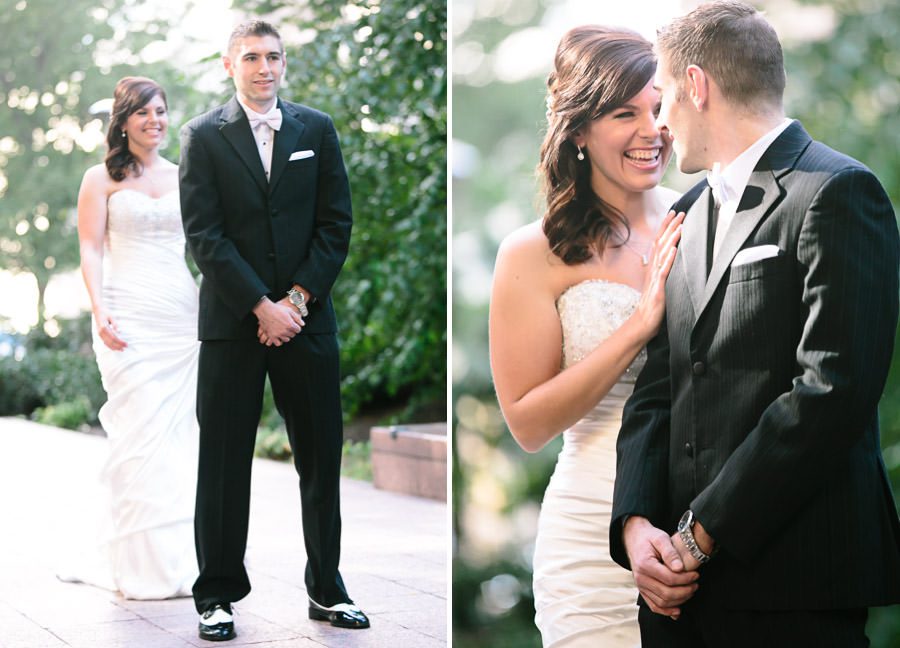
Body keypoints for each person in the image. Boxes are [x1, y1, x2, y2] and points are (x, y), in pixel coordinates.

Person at [610, 2, 900, 646]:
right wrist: (635, 525)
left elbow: (834, 388)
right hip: (674, 599)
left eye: (662, 101)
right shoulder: (684, 212)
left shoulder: (837, 191)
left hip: (794, 584)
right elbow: (658, 387)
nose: (657, 124)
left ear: (697, 85)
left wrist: (701, 533)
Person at [489, 26, 684, 647]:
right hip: (592, 535)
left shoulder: (703, 218)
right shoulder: (533, 251)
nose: (651, 129)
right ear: (577, 129)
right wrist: (639, 326)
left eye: (659, 107)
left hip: (702, 533)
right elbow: (526, 423)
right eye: (626, 112)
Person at [179, 19, 368, 642]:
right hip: (233, 327)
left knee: (321, 458)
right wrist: (260, 307)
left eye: (275, 56)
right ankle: (216, 596)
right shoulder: (203, 137)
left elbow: (336, 223)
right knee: (224, 462)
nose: (266, 67)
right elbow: (204, 235)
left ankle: (328, 588)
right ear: (229, 64)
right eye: (253, 57)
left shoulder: (317, 129)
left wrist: (296, 300)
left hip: (308, 323)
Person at [71, 76, 199, 599]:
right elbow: (91, 249)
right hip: (125, 314)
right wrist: (100, 310)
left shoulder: (186, 175)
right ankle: (140, 564)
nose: (155, 121)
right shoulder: (99, 179)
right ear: (123, 122)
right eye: (143, 113)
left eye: (161, 112)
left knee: (177, 436)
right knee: (139, 433)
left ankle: (182, 561)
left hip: (178, 313)